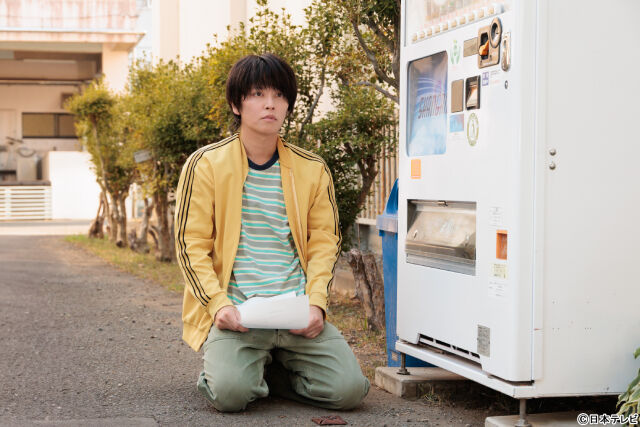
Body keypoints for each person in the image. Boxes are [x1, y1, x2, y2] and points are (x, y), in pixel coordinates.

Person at [174, 52, 370, 412]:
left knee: (349, 392)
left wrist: (317, 304)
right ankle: (235, 374)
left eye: (279, 95)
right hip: (239, 315)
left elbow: (324, 243)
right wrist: (218, 305)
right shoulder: (206, 164)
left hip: (296, 311)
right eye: (258, 94)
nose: (270, 104)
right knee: (231, 395)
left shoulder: (312, 169)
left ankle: (271, 374)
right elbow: (190, 245)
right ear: (236, 104)